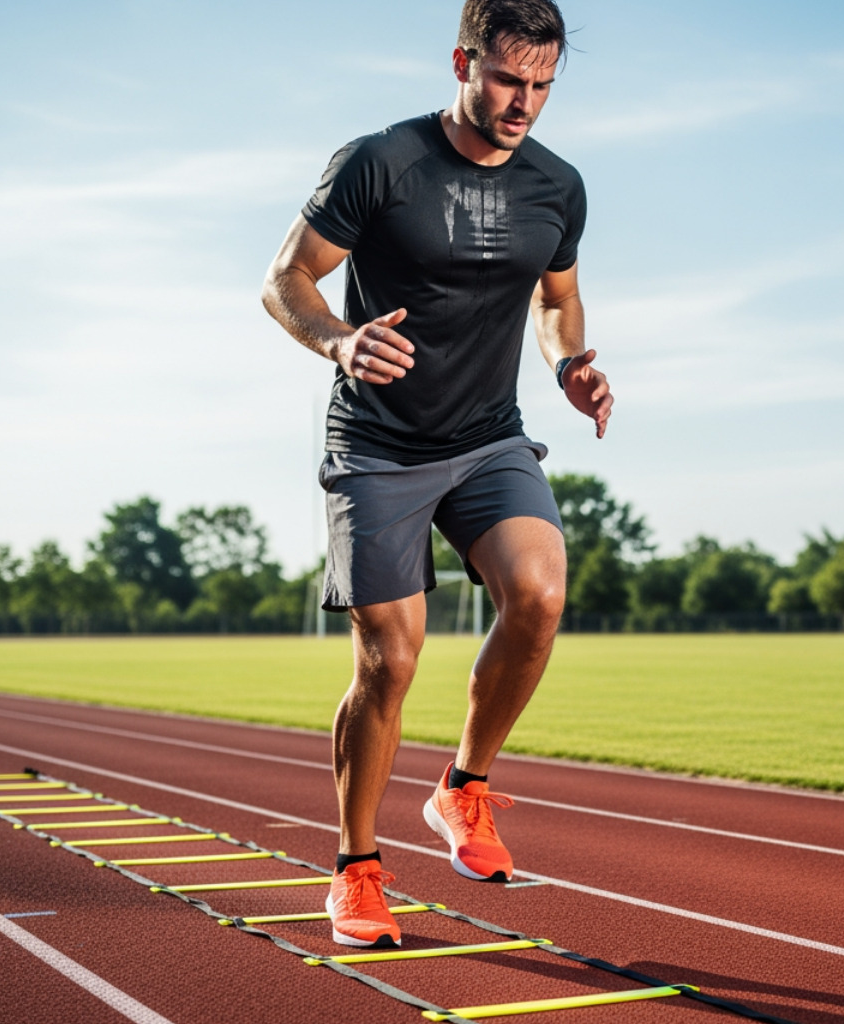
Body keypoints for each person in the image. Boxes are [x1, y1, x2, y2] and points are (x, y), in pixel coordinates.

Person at [260, 0, 608, 950]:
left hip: (489, 436)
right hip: (376, 443)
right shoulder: (380, 162)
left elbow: (560, 302)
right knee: (392, 659)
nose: (523, 102)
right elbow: (285, 279)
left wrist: (571, 364)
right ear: (464, 59)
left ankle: (464, 790)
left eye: (541, 85)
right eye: (506, 78)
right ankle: (357, 869)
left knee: (538, 592)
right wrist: (339, 341)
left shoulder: (558, 186)